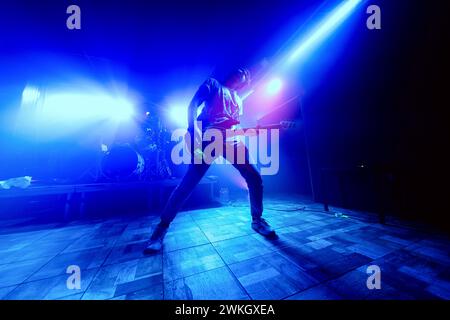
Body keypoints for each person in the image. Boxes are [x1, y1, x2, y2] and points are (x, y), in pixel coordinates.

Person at [144, 68, 276, 253]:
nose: (241, 72)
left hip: (232, 140)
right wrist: (194, 132)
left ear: (246, 81)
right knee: (187, 186)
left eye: (245, 73)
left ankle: (257, 220)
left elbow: (234, 124)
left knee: (254, 178)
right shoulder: (214, 84)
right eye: (238, 70)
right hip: (207, 138)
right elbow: (193, 105)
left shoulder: (238, 99)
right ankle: (160, 231)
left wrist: (257, 129)